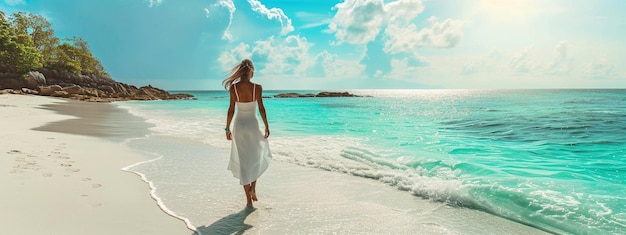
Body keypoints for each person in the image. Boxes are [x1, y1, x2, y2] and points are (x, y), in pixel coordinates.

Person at [223, 59, 271, 208]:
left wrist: (227, 128)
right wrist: (267, 126)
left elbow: (231, 109)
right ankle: (253, 187)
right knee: (256, 156)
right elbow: (262, 108)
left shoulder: (234, 88)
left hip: (239, 125)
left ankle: (248, 201)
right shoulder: (257, 87)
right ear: (250, 70)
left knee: (244, 162)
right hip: (252, 124)